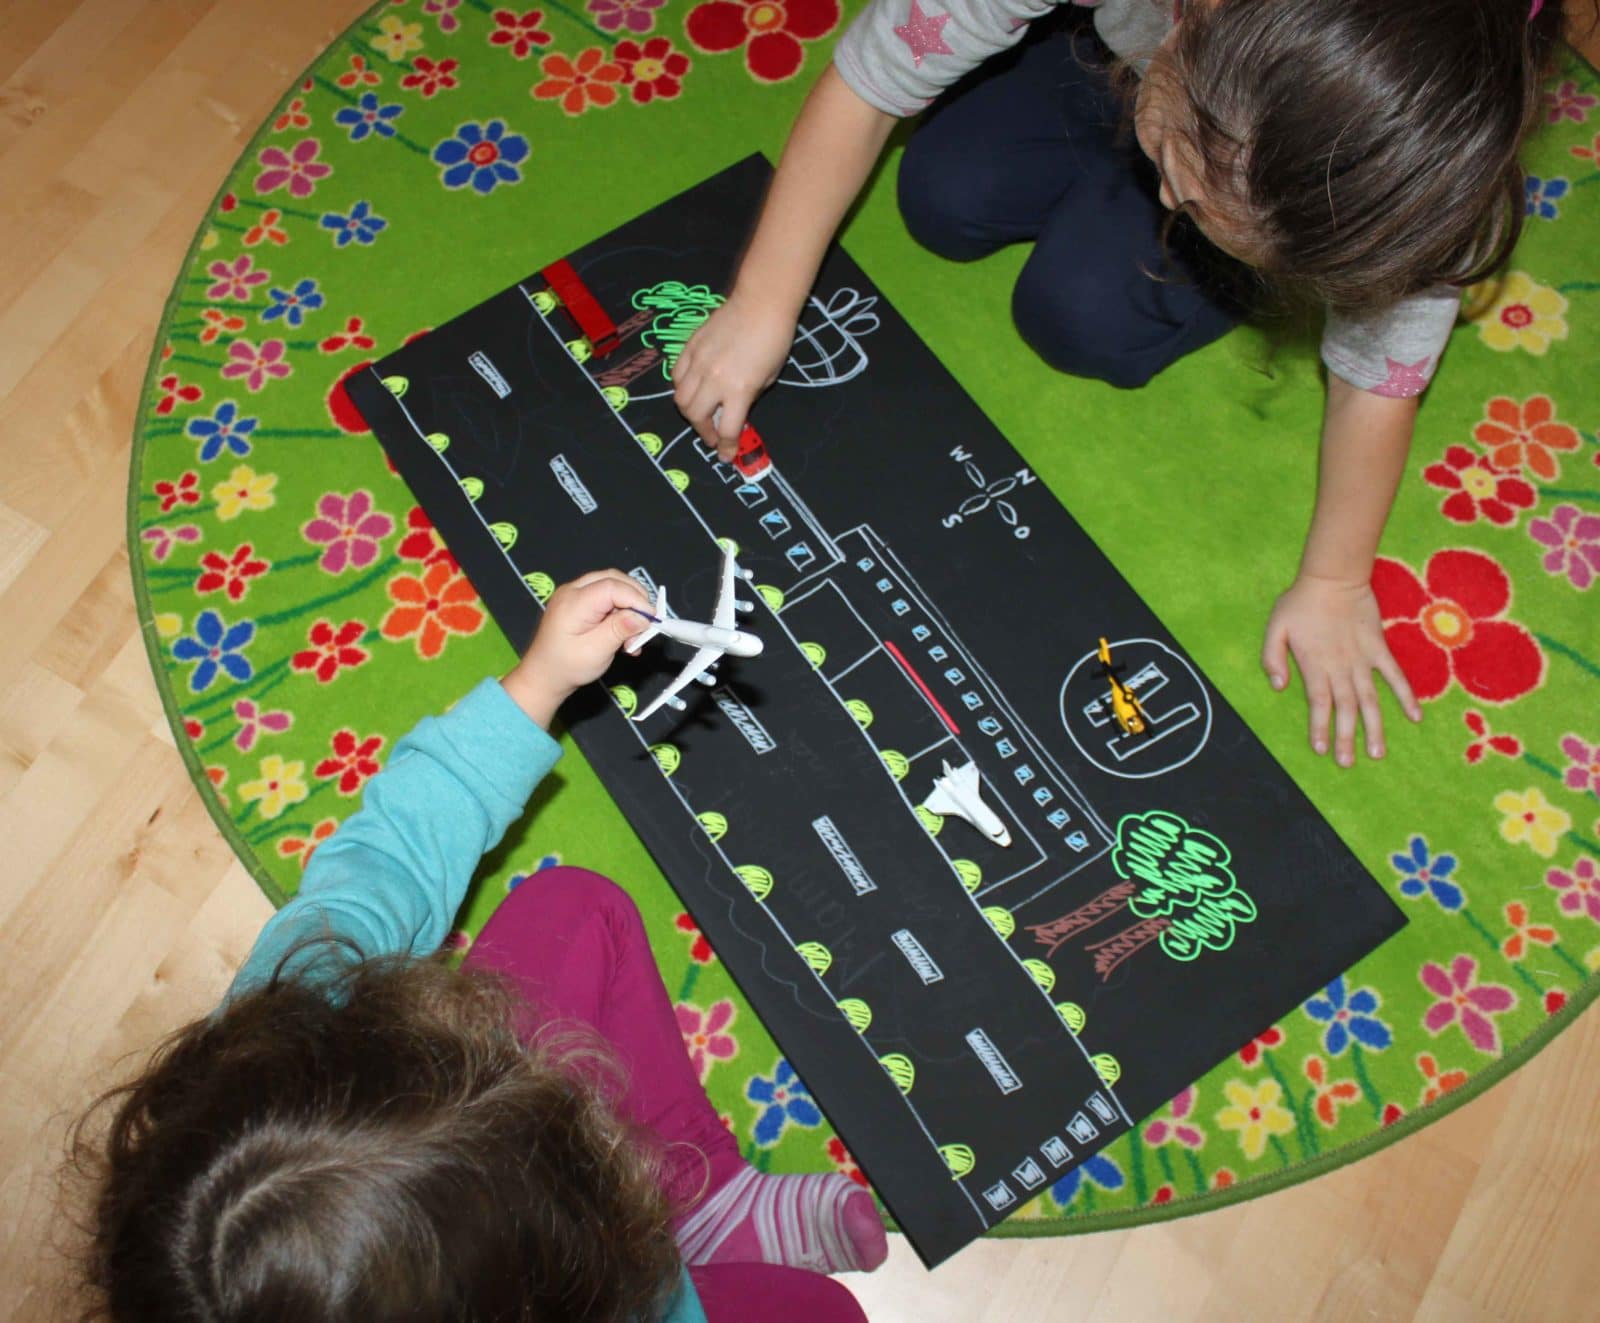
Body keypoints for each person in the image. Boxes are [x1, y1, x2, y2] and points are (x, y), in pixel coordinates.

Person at [669, 0, 1566, 770]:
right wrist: (762, 304)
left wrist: (1335, 580)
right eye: (1180, 177)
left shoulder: (1410, 175)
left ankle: (1205, 195)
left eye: (1203, 213)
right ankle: (1151, 118)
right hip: (1134, 43)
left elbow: (1382, 379)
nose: (1171, 203)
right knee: (941, 193)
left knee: (1079, 316)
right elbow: (870, 82)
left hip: (1209, 86)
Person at [74, 571, 885, 1323]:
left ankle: (704, 1193)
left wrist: (538, 683)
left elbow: (388, 859)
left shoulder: (277, 1040)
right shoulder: (549, 1282)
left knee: (577, 910)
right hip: (617, 1287)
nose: (564, 1094)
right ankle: (672, 1244)